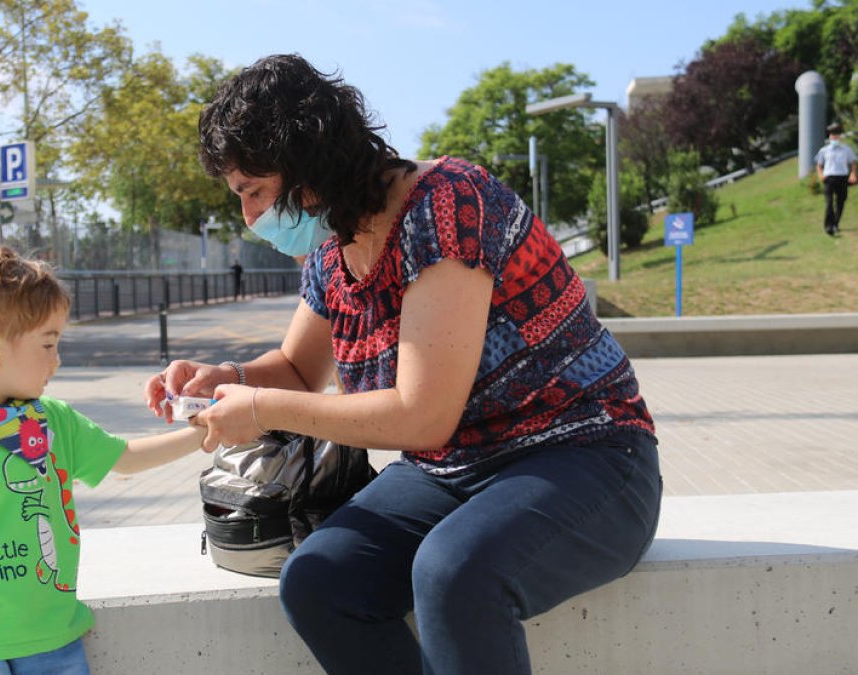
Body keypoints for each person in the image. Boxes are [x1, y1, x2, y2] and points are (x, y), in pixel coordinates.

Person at [145, 54, 662, 675]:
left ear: (308, 162)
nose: (249, 218)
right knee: (318, 581)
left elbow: (422, 417)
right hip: (452, 469)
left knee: (455, 574)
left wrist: (261, 410)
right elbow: (298, 368)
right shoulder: (332, 248)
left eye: (253, 191)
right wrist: (225, 379)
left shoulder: (448, 205)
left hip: (587, 454)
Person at [0, 244, 208, 675]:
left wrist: (203, 434)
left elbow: (126, 458)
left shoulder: (54, 421)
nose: (57, 360)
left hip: (54, 638)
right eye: (48, 344)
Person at [814, 122, 857, 236]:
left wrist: (853, 174)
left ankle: (835, 224)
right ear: (830, 137)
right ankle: (829, 226)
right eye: (832, 136)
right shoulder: (824, 150)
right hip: (829, 178)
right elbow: (819, 164)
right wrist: (820, 175)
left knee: (841, 202)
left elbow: (852, 162)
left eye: (836, 136)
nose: (834, 138)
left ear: (840, 137)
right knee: (829, 202)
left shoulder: (846, 149)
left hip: (842, 177)